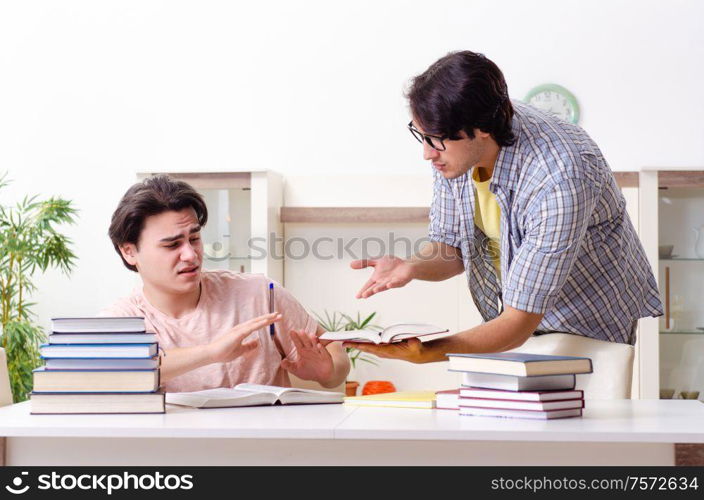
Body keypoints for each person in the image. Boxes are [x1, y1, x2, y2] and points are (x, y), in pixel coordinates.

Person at [348, 50, 663, 364]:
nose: (427, 155)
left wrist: (428, 353)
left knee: (572, 412)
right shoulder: (455, 150)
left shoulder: (561, 176)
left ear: (482, 129)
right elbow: (452, 247)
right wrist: (411, 267)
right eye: (423, 137)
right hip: (514, 321)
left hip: (586, 322)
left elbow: (517, 323)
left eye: (437, 140)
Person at [101, 175, 349, 392]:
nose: (190, 254)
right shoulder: (121, 322)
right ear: (129, 251)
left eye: (195, 238)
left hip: (266, 444)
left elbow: (334, 355)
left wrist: (327, 371)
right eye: (172, 245)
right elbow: (111, 375)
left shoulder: (260, 293)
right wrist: (211, 353)